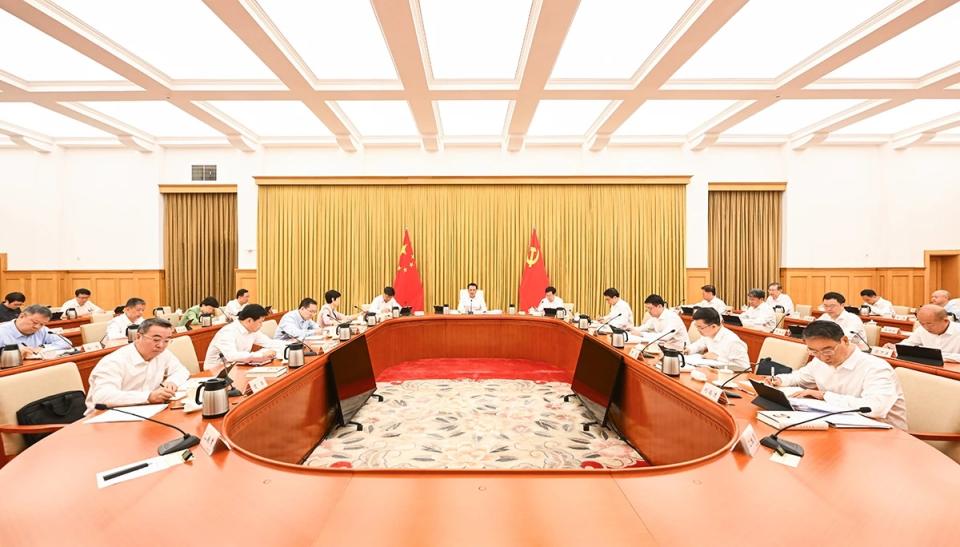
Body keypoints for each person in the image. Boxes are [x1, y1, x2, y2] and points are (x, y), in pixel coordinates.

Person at [767, 321, 907, 430]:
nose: (822, 357)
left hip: (883, 435)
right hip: (839, 425)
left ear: (845, 340)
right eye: (814, 352)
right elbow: (800, 377)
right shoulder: (819, 360)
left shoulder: (876, 367)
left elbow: (875, 408)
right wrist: (780, 379)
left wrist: (824, 396)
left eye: (827, 350)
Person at [84, 318, 190, 414]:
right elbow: (102, 397)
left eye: (166, 341)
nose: (161, 345)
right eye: (156, 340)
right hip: (107, 416)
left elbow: (181, 371)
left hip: (147, 411)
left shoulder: (163, 354)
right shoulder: (113, 361)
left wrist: (172, 382)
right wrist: (148, 397)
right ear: (138, 336)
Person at [204, 304, 286, 368]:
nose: (261, 325)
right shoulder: (228, 332)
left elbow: (269, 343)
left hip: (237, 366)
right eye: (260, 322)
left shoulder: (252, 330)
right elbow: (232, 356)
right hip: (215, 372)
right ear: (249, 320)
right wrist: (261, 355)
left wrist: (289, 347)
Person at [884, 304, 960, 363]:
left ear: (945, 321)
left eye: (930, 324)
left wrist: (935, 356)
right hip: (927, 365)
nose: (926, 328)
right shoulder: (922, 329)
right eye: (922, 323)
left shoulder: (958, 331)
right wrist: (894, 347)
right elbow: (909, 343)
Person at [685, 307, 750, 371]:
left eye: (700, 327)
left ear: (714, 326)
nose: (698, 330)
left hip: (727, 375)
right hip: (713, 371)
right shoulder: (709, 334)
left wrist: (717, 357)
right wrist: (688, 349)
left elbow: (745, 368)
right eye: (696, 326)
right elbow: (699, 344)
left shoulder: (733, 341)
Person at [0, 305, 72, 359]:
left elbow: (66, 343)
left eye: (42, 324)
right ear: (21, 316)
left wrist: (43, 347)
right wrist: (13, 353)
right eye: (34, 322)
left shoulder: (43, 330)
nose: (37, 327)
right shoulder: (2, 331)